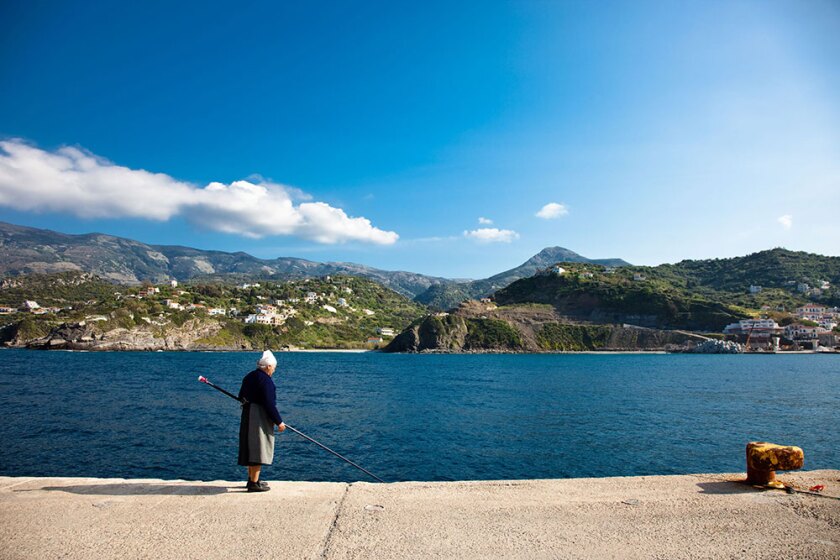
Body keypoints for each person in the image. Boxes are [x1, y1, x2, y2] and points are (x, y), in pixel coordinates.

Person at [238, 350, 286, 492]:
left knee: (250, 447)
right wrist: (279, 422)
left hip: (247, 414)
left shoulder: (249, 376)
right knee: (258, 448)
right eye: (274, 368)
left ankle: (253, 480)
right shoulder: (266, 381)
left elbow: (241, 396)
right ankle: (254, 484)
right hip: (258, 417)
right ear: (268, 366)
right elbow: (269, 404)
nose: (274, 370)